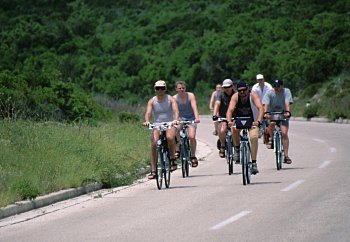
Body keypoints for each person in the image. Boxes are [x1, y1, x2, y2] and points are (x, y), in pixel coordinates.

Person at [143, 80, 179, 179]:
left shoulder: (170, 99)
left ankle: (172, 159)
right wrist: (147, 121)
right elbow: (148, 113)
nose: (160, 90)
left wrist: (175, 119)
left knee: (170, 137)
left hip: (169, 123)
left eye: (162, 88)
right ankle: (154, 171)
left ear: (165, 89)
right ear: (155, 89)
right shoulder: (152, 101)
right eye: (157, 88)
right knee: (154, 143)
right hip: (157, 124)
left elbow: (175, 110)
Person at [226, 81, 264, 174]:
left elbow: (260, 108)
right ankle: (237, 149)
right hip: (239, 120)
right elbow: (230, 110)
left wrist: (258, 121)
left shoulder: (253, 95)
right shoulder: (235, 96)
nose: (242, 92)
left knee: (254, 137)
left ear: (248, 89)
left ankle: (254, 163)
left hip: (252, 121)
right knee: (234, 129)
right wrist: (229, 121)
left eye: (244, 90)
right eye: (240, 91)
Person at [263, 79, 293, 164]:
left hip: (283, 113)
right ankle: (272, 139)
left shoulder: (286, 92)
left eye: (278, 86)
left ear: (282, 86)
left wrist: (288, 112)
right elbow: (266, 103)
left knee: (284, 133)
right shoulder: (269, 93)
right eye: (275, 86)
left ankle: (286, 156)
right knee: (272, 123)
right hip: (272, 113)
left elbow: (287, 102)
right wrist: (266, 113)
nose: (276, 88)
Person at [173, 81, 200, 167]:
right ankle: (177, 150)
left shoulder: (190, 96)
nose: (181, 90)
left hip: (191, 118)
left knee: (192, 136)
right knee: (176, 130)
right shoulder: (174, 98)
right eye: (180, 88)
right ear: (176, 89)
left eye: (183, 88)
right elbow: (174, 111)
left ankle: (193, 156)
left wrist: (196, 118)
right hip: (180, 118)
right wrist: (175, 120)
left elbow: (194, 107)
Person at [212, 79, 235, 158]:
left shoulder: (236, 94)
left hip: (234, 116)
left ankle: (237, 146)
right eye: (225, 87)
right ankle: (222, 145)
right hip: (223, 116)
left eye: (228, 87)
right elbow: (217, 103)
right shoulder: (220, 94)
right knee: (222, 130)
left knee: (235, 130)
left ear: (232, 86)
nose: (227, 89)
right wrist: (215, 114)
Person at [251, 74, 273, 139]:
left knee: (268, 117)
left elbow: (271, 95)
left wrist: (266, 105)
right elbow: (253, 96)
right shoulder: (255, 87)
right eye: (259, 80)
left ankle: (269, 130)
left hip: (267, 103)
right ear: (257, 80)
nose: (260, 81)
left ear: (263, 79)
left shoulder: (268, 86)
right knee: (258, 117)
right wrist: (259, 105)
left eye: (261, 79)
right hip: (258, 104)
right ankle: (259, 129)